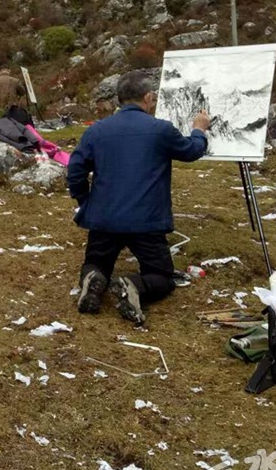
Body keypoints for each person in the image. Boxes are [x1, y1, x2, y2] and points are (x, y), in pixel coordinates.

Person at [67, 70, 211, 326]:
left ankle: (92, 279)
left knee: (96, 262)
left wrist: (86, 202)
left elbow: (75, 169)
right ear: (147, 97)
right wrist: (199, 129)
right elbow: (192, 151)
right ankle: (134, 285)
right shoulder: (161, 129)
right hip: (146, 221)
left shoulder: (97, 130)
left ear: (119, 98)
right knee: (162, 276)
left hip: (104, 218)